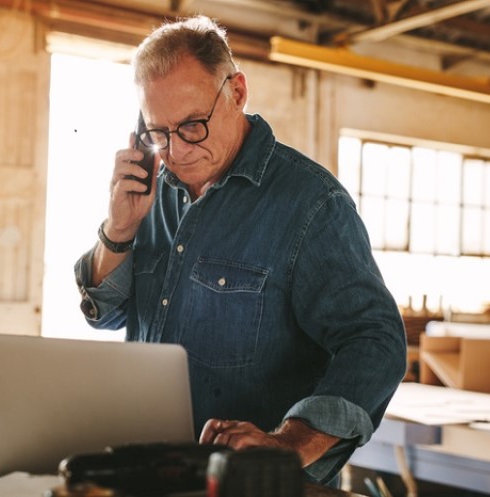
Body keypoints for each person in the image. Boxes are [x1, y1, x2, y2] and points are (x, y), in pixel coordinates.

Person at [74, 15, 407, 485]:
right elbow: (102, 314)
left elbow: (376, 343)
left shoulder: (311, 204)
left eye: (192, 125)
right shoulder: (151, 191)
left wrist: (288, 444)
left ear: (236, 92)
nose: (176, 151)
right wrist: (119, 228)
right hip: (152, 474)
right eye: (158, 132)